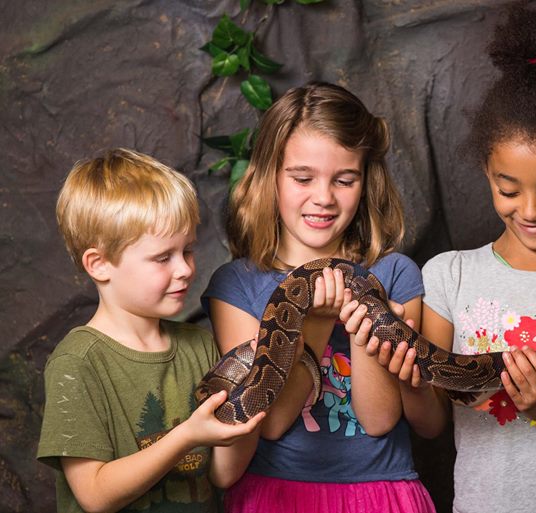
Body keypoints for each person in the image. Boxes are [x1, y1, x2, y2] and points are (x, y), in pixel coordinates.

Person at [342, 3, 536, 512]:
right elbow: (433, 422)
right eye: (508, 188)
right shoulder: (450, 276)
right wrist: (410, 379)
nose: (530, 210)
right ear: (487, 172)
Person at [201, 81, 435, 513]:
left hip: (379, 495)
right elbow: (268, 424)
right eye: (302, 177)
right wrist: (317, 321)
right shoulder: (237, 284)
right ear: (270, 175)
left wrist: (365, 314)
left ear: (366, 181)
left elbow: (380, 420)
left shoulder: (394, 273)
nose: (323, 197)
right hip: (277, 496)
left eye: (344, 180)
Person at [37, 148, 265, 513]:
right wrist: (187, 435)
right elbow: (95, 495)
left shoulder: (198, 346)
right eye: (163, 257)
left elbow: (223, 475)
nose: (186, 269)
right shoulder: (77, 363)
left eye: (188, 250)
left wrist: (257, 390)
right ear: (100, 264)